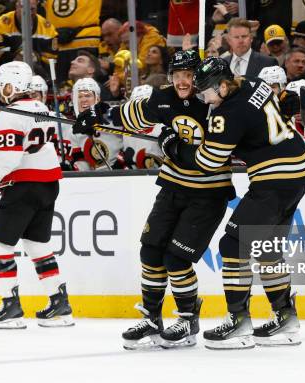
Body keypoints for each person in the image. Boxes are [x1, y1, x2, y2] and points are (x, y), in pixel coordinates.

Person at [74, 50, 234, 349]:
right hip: (173, 186)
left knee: (176, 258)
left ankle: (187, 318)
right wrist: (95, 116)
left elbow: (214, 153)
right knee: (150, 251)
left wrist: (173, 146)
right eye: (177, 76)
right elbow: (126, 115)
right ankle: (152, 317)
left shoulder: (215, 101)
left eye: (188, 75)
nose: (183, 82)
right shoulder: (162, 98)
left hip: (208, 193)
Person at [159, 57, 305, 349]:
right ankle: (286, 317)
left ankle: (239, 320)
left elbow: (208, 161)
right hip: (299, 172)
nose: (203, 98)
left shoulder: (227, 112)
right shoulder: (252, 83)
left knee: (233, 245)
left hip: (274, 179)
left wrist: (175, 146)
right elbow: (273, 105)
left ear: (221, 86)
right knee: (267, 249)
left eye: (205, 92)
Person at [0, 61, 72, 330]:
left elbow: (8, 158)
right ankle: (59, 304)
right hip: (49, 183)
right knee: (37, 243)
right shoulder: (42, 107)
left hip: (25, 186)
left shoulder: (10, 114)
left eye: (3, 84)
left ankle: (10, 306)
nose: (0, 90)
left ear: (14, 85)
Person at [0, 0, 58, 77]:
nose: (28, 13)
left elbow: (51, 61)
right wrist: (15, 58)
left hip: (36, 77)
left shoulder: (48, 29)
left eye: (32, 9)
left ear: (37, 7)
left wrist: (35, 63)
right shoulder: (1, 24)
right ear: (16, 6)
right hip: (6, 74)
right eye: (24, 8)